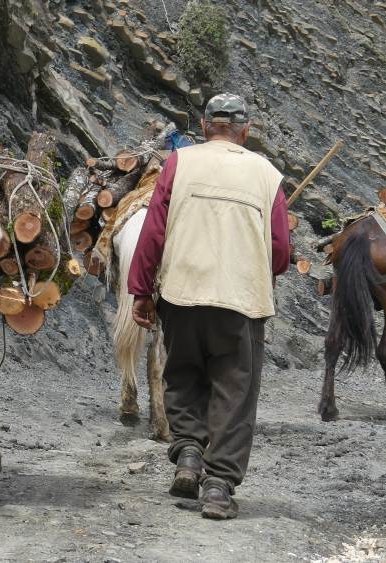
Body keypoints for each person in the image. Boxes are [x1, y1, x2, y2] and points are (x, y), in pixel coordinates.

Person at [127, 93, 290, 519]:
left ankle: (188, 457)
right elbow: (280, 251)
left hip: (182, 294)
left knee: (182, 377)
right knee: (234, 393)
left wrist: (141, 290)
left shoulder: (179, 164)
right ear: (246, 129)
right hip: (240, 302)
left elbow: (153, 233)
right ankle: (217, 488)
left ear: (204, 126)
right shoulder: (267, 175)